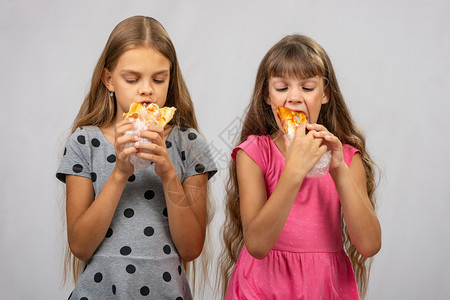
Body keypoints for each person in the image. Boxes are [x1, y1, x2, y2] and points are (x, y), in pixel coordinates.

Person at [56, 16, 217, 299]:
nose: (147, 90)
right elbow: (80, 245)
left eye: (159, 79)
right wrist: (119, 172)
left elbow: (191, 248)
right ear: (109, 80)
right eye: (132, 79)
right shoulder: (84, 143)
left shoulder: (190, 145)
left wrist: (168, 172)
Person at [219, 35, 381, 299]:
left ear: (325, 93)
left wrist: (338, 169)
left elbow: (370, 244)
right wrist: (293, 171)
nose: (294, 98)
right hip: (261, 288)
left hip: (324, 287)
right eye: (282, 88)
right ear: (267, 96)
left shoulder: (348, 158)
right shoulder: (254, 153)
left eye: (307, 87)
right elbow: (257, 245)